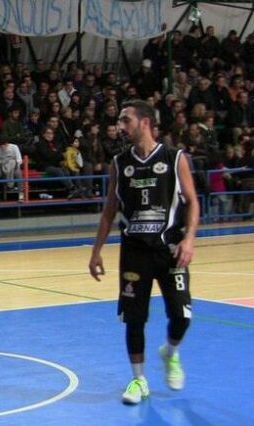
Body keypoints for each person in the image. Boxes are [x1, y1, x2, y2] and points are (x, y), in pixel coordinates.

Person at [88, 100, 199, 406]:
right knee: (134, 320)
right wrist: (96, 251)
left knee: (181, 316)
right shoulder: (119, 162)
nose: (120, 126)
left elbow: (192, 201)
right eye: (119, 121)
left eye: (126, 121)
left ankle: (170, 352)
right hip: (135, 251)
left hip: (171, 249)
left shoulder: (175, 158)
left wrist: (189, 239)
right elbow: (110, 209)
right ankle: (139, 379)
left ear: (145, 122)